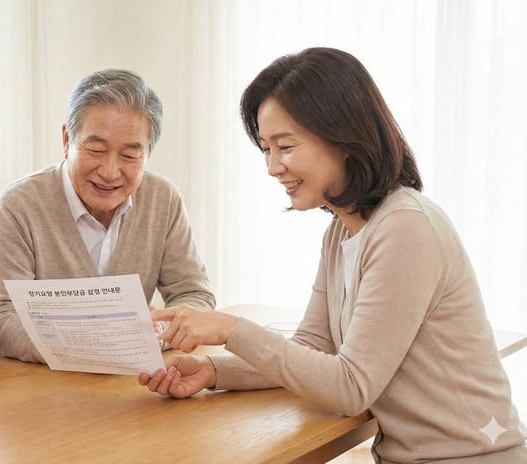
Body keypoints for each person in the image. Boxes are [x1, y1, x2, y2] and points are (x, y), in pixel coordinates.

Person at [139, 48, 527, 463]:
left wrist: (230, 328)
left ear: (343, 137)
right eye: (265, 149)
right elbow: (315, 348)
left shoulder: (406, 227)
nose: (272, 166)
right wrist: (216, 372)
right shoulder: (343, 230)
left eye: (284, 146)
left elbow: (350, 385)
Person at [0, 68, 215, 363]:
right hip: (44, 387)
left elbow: (195, 296)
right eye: (95, 148)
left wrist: (157, 331)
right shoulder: (18, 205)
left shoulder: (162, 199)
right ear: (67, 139)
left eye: (130, 156)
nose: (110, 171)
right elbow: (0, 319)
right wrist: (97, 344)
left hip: (135, 386)